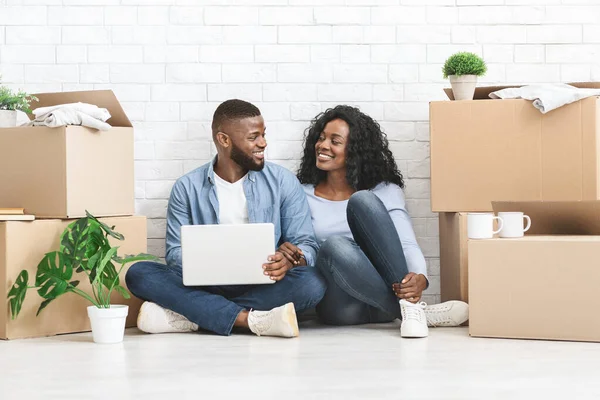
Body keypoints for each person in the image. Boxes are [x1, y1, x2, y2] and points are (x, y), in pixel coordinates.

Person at [125, 99, 326, 338]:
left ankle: (193, 314)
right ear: (224, 140)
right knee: (139, 273)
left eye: (263, 135)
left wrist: (292, 260)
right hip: (205, 283)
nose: (263, 143)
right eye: (253, 137)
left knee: (312, 282)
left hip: (263, 282)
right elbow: (174, 254)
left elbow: (306, 244)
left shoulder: (283, 182)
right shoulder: (187, 187)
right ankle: (247, 319)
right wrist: (212, 259)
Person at [288, 105, 468, 338]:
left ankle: (408, 307)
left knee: (363, 201)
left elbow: (406, 243)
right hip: (340, 307)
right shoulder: (302, 194)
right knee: (334, 246)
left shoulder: (385, 191)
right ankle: (413, 313)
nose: (323, 146)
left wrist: (420, 277)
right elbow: (303, 245)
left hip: (383, 296)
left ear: (355, 150)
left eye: (335, 141)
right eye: (321, 138)